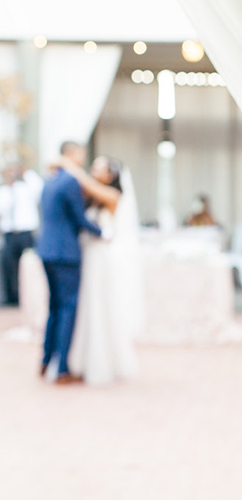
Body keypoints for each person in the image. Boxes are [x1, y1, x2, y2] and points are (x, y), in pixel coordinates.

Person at [61, 155, 142, 385]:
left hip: (100, 260)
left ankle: (102, 361)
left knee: (99, 305)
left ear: (111, 175)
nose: (94, 171)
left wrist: (70, 166)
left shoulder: (112, 196)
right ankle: (80, 361)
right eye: (93, 167)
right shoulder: (89, 197)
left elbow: (88, 185)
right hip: (86, 257)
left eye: (99, 168)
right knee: (85, 307)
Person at [38, 141, 103, 384]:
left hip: (46, 249)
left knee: (54, 307)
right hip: (65, 253)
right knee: (67, 307)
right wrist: (103, 232)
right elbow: (79, 218)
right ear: (72, 154)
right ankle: (62, 367)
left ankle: (46, 361)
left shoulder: (50, 179)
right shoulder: (70, 181)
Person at [0, 163, 44, 306]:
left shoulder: (26, 189)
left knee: (29, 264)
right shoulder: (3, 192)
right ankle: (14, 299)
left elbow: (39, 188)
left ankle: (30, 296)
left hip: (26, 234)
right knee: (9, 267)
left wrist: (25, 172)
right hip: (9, 234)